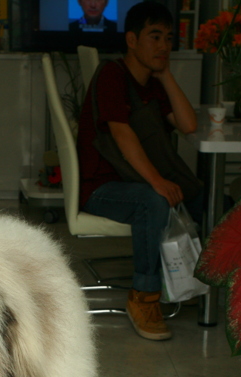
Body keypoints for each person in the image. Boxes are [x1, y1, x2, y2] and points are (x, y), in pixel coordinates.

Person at [76, 0, 201, 341]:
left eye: (168, 39)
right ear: (131, 40)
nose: (163, 46)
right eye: (154, 37)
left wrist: (166, 74)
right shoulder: (112, 75)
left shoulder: (153, 84)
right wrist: (158, 181)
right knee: (153, 200)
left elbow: (189, 125)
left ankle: (193, 284)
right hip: (102, 188)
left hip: (131, 182)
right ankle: (143, 297)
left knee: (201, 196)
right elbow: (121, 132)